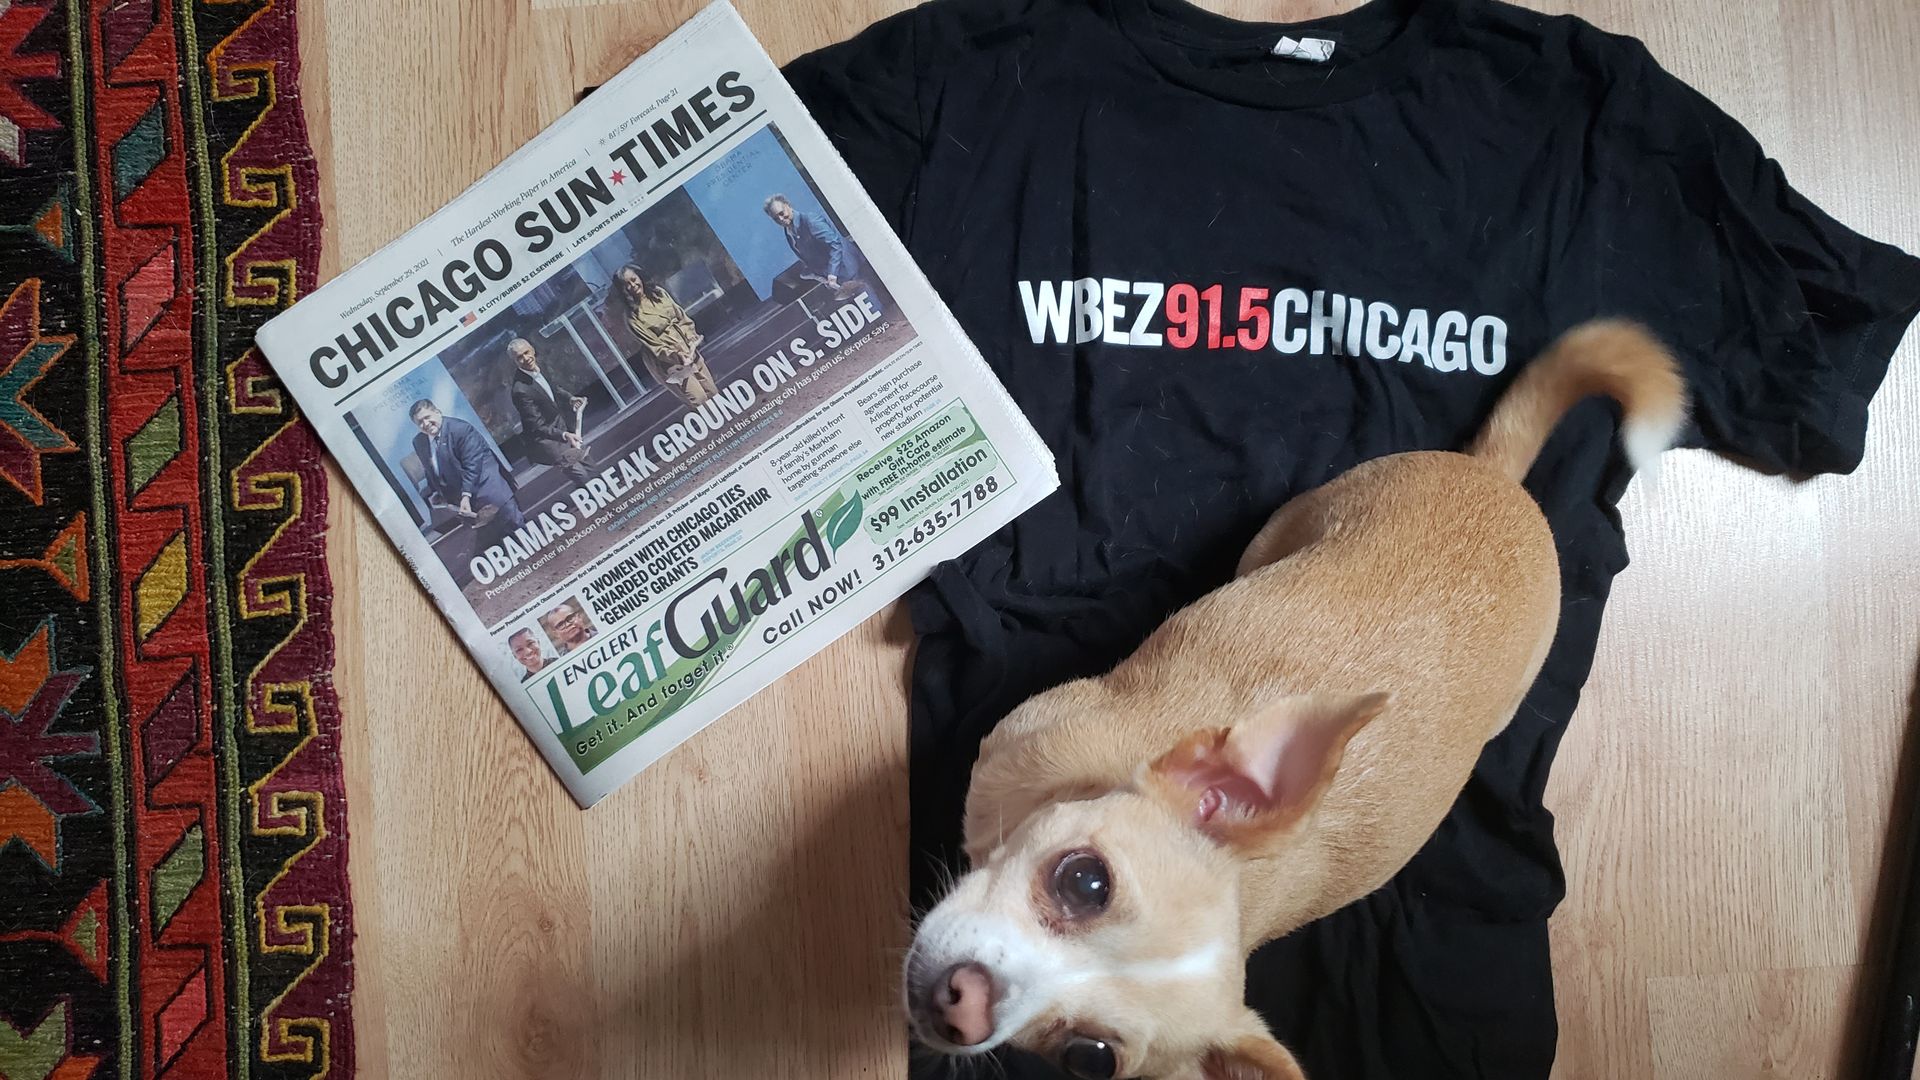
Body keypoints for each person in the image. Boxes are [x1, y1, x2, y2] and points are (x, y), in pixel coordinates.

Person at [409, 399, 523, 539]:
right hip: (468, 510)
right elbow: (432, 469)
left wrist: (466, 496)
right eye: (420, 422)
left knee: (522, 536)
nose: (425, 424)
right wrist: (436, 493)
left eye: (427, 417)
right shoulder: (419, 442)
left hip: (491, 495)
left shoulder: (460, 429)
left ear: (437, 412)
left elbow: (472, 465)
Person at [613, 264, 720, 407]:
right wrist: (678, 356)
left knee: (712, 393)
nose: (633, 285)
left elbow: (681, 317)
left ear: (640, 277)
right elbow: (655, 347)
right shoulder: (632, 317)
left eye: (634, 279)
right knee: (699, 399)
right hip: (668, 362)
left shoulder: (659, 293)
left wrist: (690, 337)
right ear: (622, 290)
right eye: (627, 284)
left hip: (688, 347)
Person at [506, 337, 592, 482]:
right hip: (550, 441)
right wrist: (565, 435)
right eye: (519, 357)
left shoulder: (540, 366)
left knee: (590, 466)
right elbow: (537, 426)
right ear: (515, 362)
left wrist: (570, 398)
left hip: (564, 427)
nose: (526, 358)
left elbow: (552, 388)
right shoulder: (520, 390)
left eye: (526, 352)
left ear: (532, 349)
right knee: (582, 476)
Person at [764, 194, 864, 293]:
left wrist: (833, 273)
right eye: (776, 218)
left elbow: (836, 244)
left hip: (853, 272)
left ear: (788, 205)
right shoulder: (788, 233)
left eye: (781, 213)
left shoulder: (811, 220)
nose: (781, 219)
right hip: (839, 283)